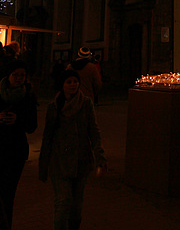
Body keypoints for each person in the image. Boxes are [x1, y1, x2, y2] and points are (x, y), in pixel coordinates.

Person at [39, 69, 107, 230]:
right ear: (62, 85)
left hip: (80, 161)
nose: (73, 84)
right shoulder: (54, 107)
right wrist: (43, 165)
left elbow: (93, 131)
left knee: (76, 207)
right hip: (59, 162)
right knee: (62, 202)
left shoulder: (86, 104)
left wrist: (99, 156)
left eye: (75, 81)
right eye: (68, 82)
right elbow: (47, 137)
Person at [0, 60, 37, 229]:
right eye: (16, 74)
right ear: (8, 75)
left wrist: (18, 120)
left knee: (8, 194)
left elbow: (32, 125)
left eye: (22, 75)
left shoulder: (28, 96)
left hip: (15, 151)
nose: (19, 78)